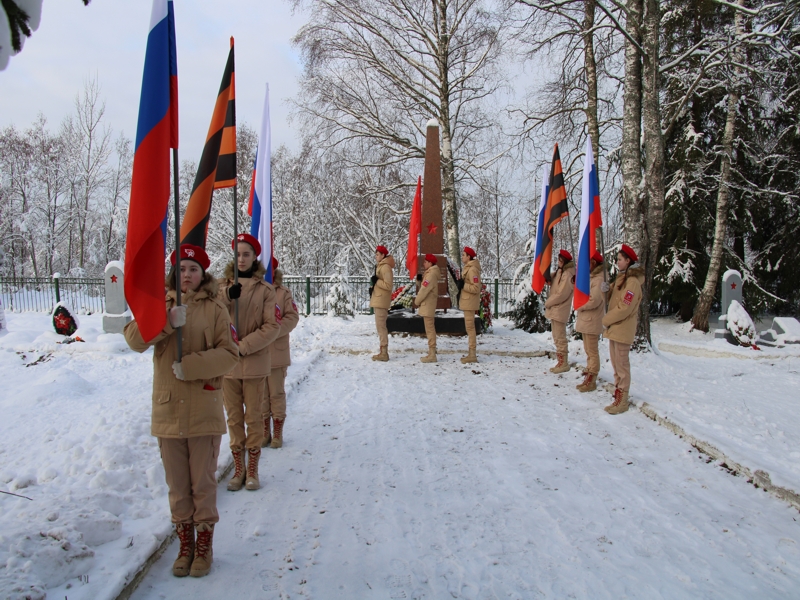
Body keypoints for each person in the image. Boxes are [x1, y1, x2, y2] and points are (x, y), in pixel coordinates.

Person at [124, 244, 238, 578]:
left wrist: (191, 366)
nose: (187, 275)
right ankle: (184, 543)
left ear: (203, 274)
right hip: (168, 410)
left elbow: (229, 354)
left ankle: (203, 544)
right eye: (182, 268)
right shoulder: (159, 304)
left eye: (193, 269)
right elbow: (133, 340)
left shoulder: (216, 308)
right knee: (177, 485)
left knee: (201, 483)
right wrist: (165, 322)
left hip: (203, 408)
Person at [218, 234, 280, 491]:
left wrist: (242, 347)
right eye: (237, 254)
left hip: (253, 362)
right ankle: (238, 468)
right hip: (228, 366)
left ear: (254, 257)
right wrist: (225, 296)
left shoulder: (265, 290)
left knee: (253, 417)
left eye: (246, 254)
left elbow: (271, 326)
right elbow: (211, 314)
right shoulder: (221, 287)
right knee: (233, 419)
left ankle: (253, 467)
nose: (241, 258)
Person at [601, 244, 644, 414]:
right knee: (616, 364)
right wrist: (606, 289)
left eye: (620, 260)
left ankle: (623, 399)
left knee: (622, 364)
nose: (617, 262)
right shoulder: (622, 278)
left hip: (622, 327)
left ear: (628, 261)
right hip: (615, 328)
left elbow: (625, 307)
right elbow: (612, 296)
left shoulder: (632, 282)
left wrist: (606, 319)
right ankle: (618, 394)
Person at [263, 257, 300, 448]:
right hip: (256, 352)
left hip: (276, 352)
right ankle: (263, 430)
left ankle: (277, 430)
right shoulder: (249, 290)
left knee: (275, 393)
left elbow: (292, 317)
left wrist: (274, 330)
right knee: (259, 395)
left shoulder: (282, 293)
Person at [575, 251, 606, 392]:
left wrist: (580, 305)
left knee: (592, 351)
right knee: (588, 350)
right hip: (587, 319)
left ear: (594, 263)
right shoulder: (593, 277)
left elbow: (594, 300)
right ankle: (589, 373)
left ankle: (592, 378)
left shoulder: (599, 279)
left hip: (592, 319)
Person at [544, 249, 575, 374]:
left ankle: (564, 362)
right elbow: (554, 278)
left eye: (560, 260)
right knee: (556, 336)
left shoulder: (568, 274)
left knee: (560, 336)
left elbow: (562, 294)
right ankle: (560, 360)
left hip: (560, 308)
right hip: (556, 309)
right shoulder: (561, 272)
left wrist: (549, 302)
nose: (558, 262)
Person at [369, 245, 395, 362]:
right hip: (379, 299)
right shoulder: (382, 266)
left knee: (381, 327)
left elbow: (388, 285)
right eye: (376, 254)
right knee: (380, 327)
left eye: (378, 254)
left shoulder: (385, 268)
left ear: (383, 255)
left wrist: (377, 282)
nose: (376, 256)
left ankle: (384, 352)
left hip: (381, 301)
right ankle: (383, 350)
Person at [414, 253, 440, 363]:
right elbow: (424, 286)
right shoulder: (430, 273)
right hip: (427, 305)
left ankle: (432, 353)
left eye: (425, 262)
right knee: (429, 328)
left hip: (428, 305)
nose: (424, 263)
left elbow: (424, 290)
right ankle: (431, 352)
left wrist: (416, 301)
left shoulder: (431, 275)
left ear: (430, 263)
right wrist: (419, 281)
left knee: (429, 329)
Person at [457, 246, 481, 364]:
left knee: (470, 328)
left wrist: (463, 286)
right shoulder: (468, 268)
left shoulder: (472, 270)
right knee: (469, 328)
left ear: (469, 256)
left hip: (470, 302)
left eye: (463, 255)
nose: (462, 257)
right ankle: (471, 353)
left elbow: (476, 287)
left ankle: (472, 354)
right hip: (467, 301)